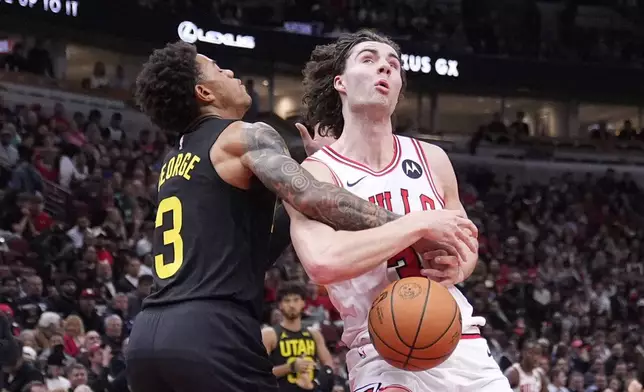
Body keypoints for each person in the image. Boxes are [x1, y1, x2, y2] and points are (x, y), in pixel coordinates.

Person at [125, 41, 470, 392]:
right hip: (211, 331)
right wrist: (412, 224)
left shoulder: (175, 163)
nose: (230, 72)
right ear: (203, 91)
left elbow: (257, 251)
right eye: (217, 68)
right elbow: (311, 195)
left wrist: (307, 167)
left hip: (147, 338)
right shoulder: (244, 134)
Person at [286, 30, 509, 392]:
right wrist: (418, 223)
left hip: (457, 339)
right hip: (381, 349)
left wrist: (459, 264)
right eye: (369, 59)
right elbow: (322, 262)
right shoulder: (318, 172)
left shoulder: (432, 159)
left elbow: (467, 244)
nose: (384, 69)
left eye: (393, 65)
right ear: (340, 81)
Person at [262, 282, 334, 391]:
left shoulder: (314, 334)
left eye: (296, 300)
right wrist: (290, 367)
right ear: (280, 305)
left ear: (303, 303)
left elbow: (329, 368)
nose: (291, 305)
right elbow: (259, 372)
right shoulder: (269, 334)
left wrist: (315, 384)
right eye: (287, 301)